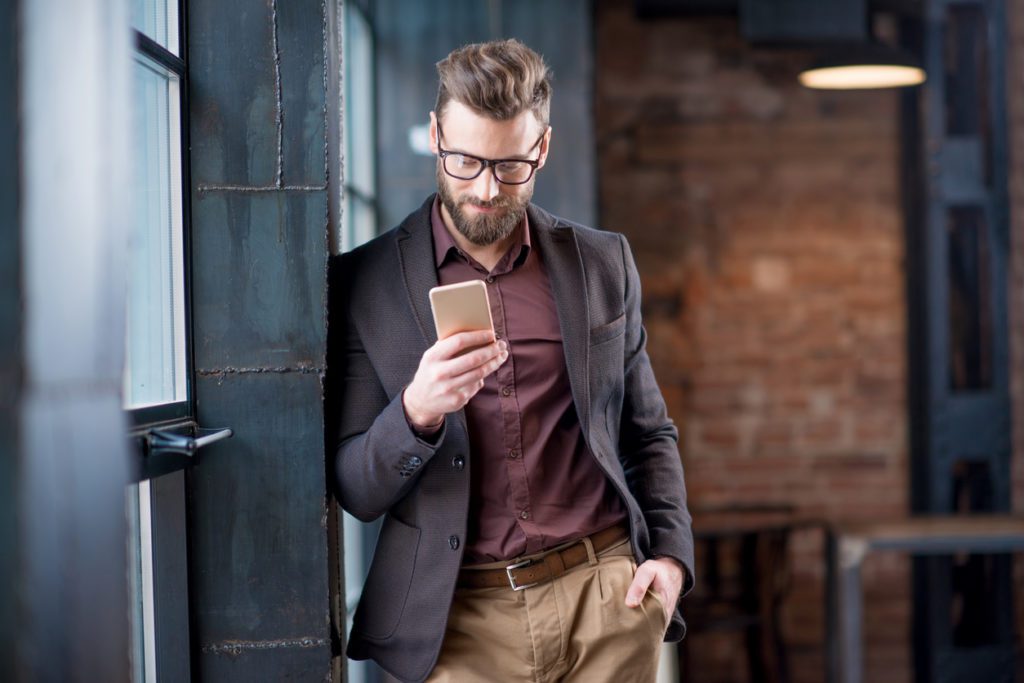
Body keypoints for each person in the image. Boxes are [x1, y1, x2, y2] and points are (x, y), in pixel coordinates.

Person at [327, 38, 693, 683]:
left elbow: (647, 431)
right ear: (436, 135)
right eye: (466, 162)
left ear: (542, 148)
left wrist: (669, 557)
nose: (487, 190)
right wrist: (417, 412)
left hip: (606, 601)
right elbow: (357, 489)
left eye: (510, 166)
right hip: (457, 623)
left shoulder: (603, 263)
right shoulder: (367, 283)